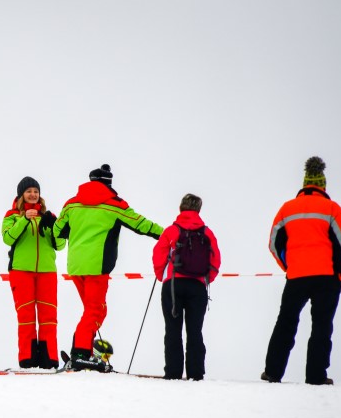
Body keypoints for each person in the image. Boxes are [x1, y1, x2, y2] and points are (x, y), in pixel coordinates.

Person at [54, 163, 163, 371]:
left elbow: (57, 231)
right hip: (98, 265)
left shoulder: (71, 204)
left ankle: (81, 350)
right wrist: (168, 235)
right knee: (95, 311)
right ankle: (80, 354)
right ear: (109, 183)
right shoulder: (114, 204)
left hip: (75, 266)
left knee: (93, 311)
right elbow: (142, 224)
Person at [263, 156, 341, 385]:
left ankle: (272, 372)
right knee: (322, 326)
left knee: (286, 322)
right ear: (323, 185)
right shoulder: (332, 209)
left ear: (304, 184)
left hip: (296, 277)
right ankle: (316, 376)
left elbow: (274, 243)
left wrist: (289, 266)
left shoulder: (287, 209)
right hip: (326, 278)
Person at [152, 194, 221, 380]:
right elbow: (215, 260)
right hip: (197, 287)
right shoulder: (207, 233)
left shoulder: (171, 231)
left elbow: (158, 255)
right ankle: (196, 373)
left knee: (173, 330)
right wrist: (206, 280)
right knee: (195, 331)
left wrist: (162, 276)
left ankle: (173, 373)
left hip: (173, 285)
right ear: (199, 209)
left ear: (181, 208)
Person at [2, 176, 65, 369]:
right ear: (21, 195)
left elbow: (60, 245)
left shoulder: (47, 216)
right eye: (29, 191)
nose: (33, 194)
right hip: (21, 271)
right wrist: (24, 220)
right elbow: (7, 238)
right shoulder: (12, 216)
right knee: (26, 316)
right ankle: (27, 359)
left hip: (47, 271)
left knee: (49, 317)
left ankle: (49, 359)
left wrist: (55, 227)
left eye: (36, 191)